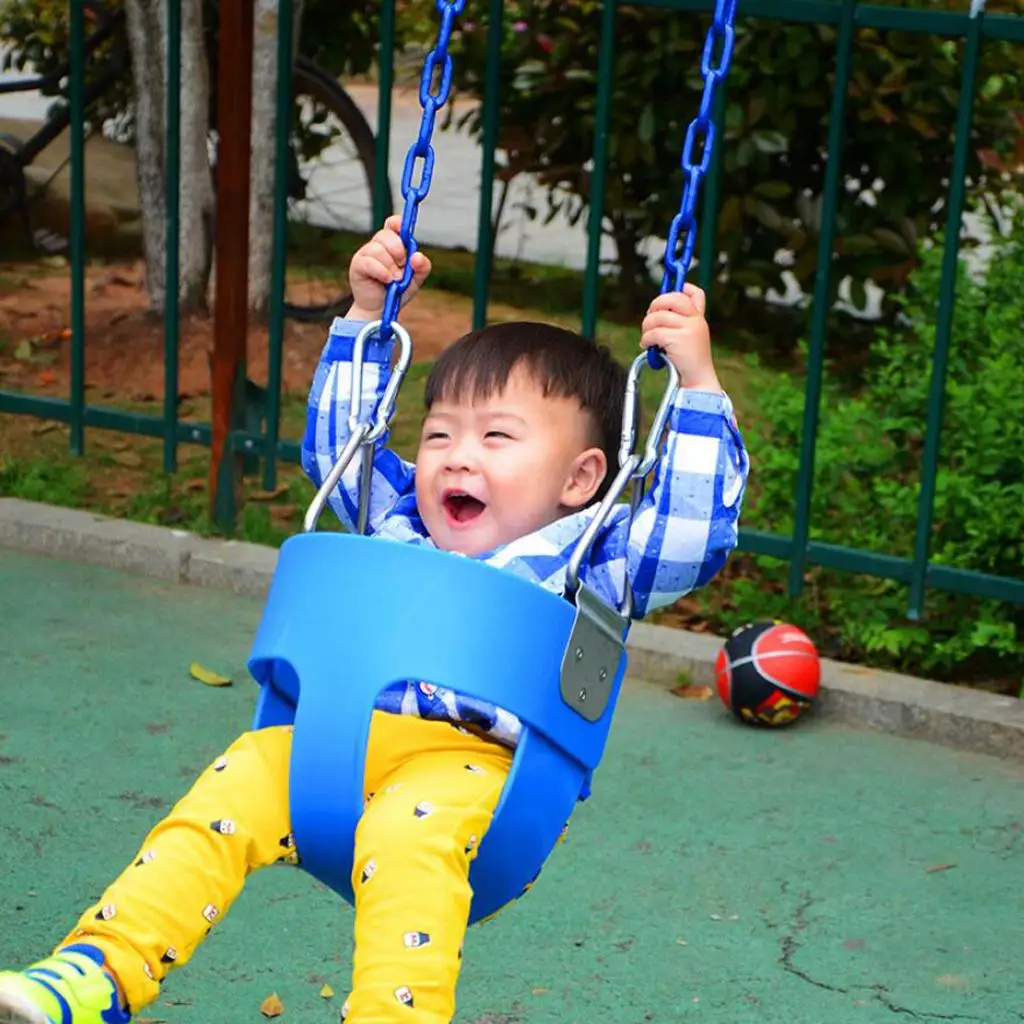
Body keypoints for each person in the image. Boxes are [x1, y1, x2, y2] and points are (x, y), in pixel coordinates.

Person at [0, 217, 749, 1024]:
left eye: (497, 437)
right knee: (243, 771)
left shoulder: (595, 558)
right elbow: (339, 450)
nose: (458, 456)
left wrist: (698, 387)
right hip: (338, 743)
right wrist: (364, 318)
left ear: (581, 476)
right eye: (438, 435)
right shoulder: (395, 518)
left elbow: (689, 536)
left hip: (476, 777)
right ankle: (95, 976)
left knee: (407, 835)